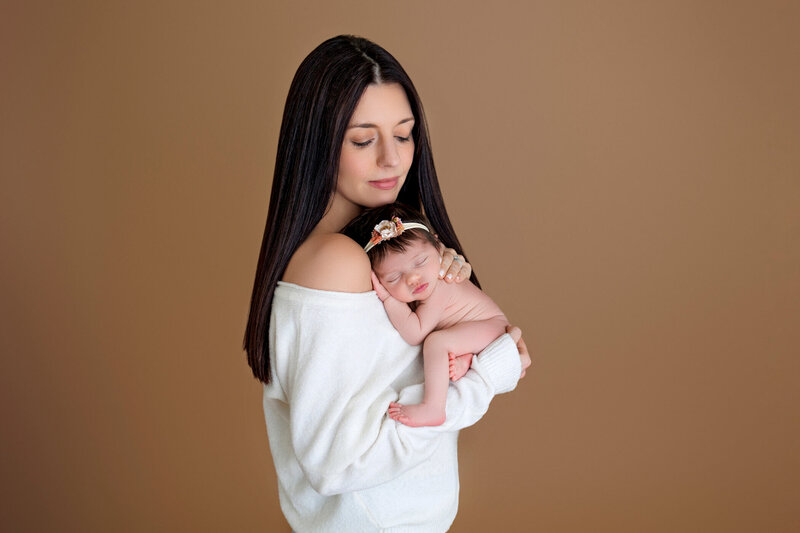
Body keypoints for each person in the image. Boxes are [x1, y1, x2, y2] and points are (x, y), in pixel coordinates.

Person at [243, 35, 531, 532]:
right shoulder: (334, 261)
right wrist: (485, 381)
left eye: (403, 134)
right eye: (362, 139)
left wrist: (437, 290)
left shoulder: (372, 253)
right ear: (317, 145)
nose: (392, 160)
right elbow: (337, 463)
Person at [342, 204, 509, 428]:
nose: (413, 278)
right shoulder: (424, 283)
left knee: (436, 342)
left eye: (420, 262)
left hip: (492, 327)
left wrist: (389, 299)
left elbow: (415, 333)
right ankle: (466, 359)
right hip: (478, 333)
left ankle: (433, 408)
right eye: (393, 278)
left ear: (439, 248)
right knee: (445, 345)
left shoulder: (440, 286)